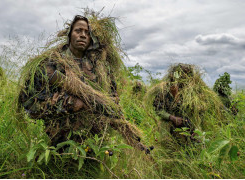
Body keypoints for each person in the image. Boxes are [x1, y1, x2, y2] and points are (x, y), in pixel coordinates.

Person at [19, 14, 148, 152]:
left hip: (96, 144)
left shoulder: (100, 67)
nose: (83, 35)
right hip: (60, 145)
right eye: (78, 31)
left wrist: (116, 116)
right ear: (69, 35)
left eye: (87, 32)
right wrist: (70, 103)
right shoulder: (50, 63)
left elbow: (112, 100)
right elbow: (29, 104)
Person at [145, 63, 225, 146]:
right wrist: (172, 118)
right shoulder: (164, 90)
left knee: (197, 144)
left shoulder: (196, 91)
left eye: (186, 75)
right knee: (168, 143)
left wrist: (196, 128)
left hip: (190, 124)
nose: (183, 78)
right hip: (170, 123)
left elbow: (202, 110)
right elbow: (158, 110)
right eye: (181, 75)